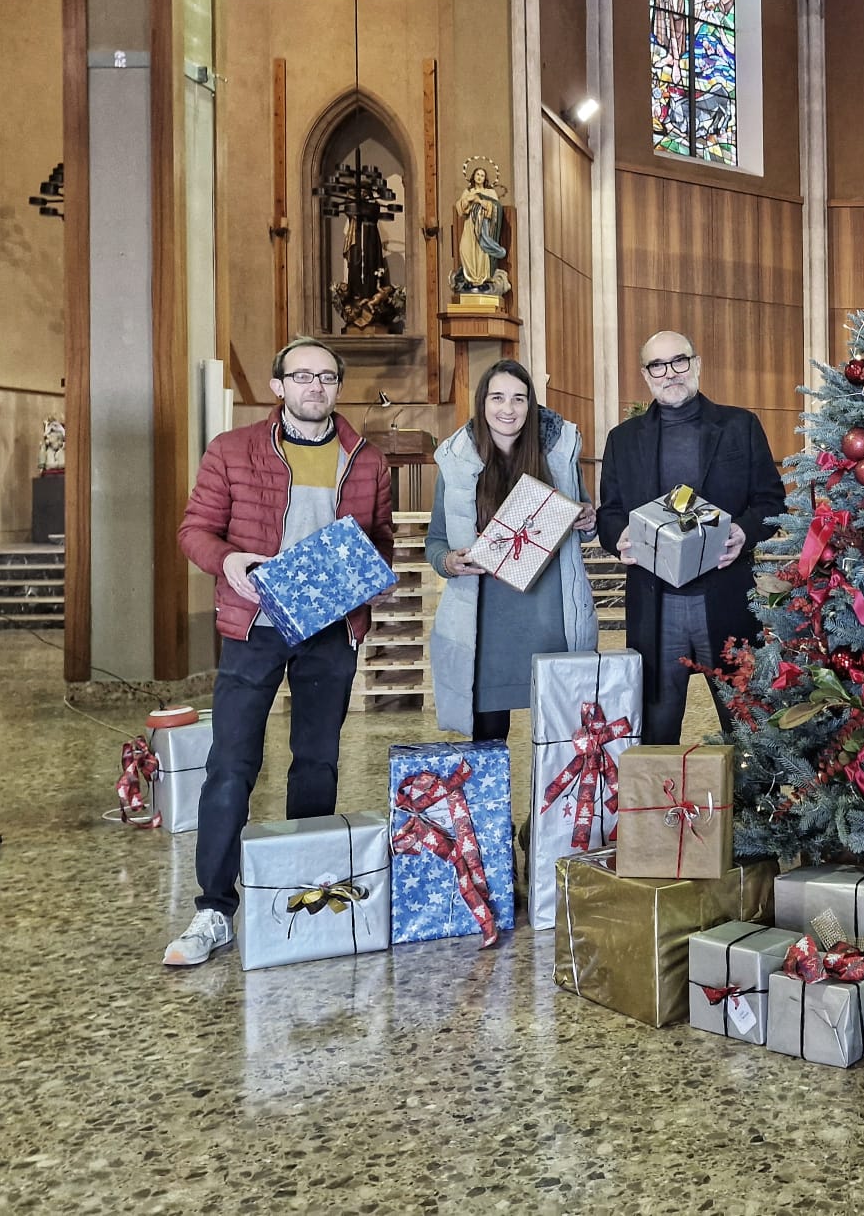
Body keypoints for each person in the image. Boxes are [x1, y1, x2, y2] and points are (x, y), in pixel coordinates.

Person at [165, 338, 395, 967]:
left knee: (317, 761)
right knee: (231, 763)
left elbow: (379, 538)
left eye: (326, 377)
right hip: (255, 622)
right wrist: (229, 560)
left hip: (329, 628)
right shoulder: (232, 450)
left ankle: (303, 889)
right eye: (302, 376)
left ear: (337, 386)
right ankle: (213, 910)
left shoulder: (366, 460)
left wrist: (367, 576)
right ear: (278, 386)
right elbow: (194, 530)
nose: (315, 387)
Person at [597, 331, 787, 743]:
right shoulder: (622, 440)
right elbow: (608, 513)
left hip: (725, 599)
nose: (670, 374)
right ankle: (661, 809)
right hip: (655, 608)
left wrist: (743, 530)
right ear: (646, 376)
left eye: (679, 362)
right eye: (658, 366)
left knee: (746, 728)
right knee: (656, 733)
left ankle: (748, 809)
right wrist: (619, 537)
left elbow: (773, 502)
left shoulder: (740, 426)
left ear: (696, 364)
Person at [427, 359, 598, 741]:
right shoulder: (456, 464)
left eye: (519, 399)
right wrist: (449, 561)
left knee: (561, 742)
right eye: (498, 398)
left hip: (551, 620)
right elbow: (435, 541)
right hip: (488, 627)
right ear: (482, 403)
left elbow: (585, 521)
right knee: (489, 741)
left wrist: (587, 519)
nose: (508, 409)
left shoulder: (557, 454)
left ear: (531, 405)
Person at [453, 166, 510, 297]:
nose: (479, 177)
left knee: (481, 253)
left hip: (483, 228)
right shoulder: (468, 191)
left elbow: (496, 209)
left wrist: (480, 201)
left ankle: (480, 280)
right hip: (470, 226)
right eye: (477, 174)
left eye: (482, 175)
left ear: (485, 179)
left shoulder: (490, 193)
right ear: (473, 176)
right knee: (465, 249)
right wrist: (468, 199)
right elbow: (460, 208)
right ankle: (470, 278)